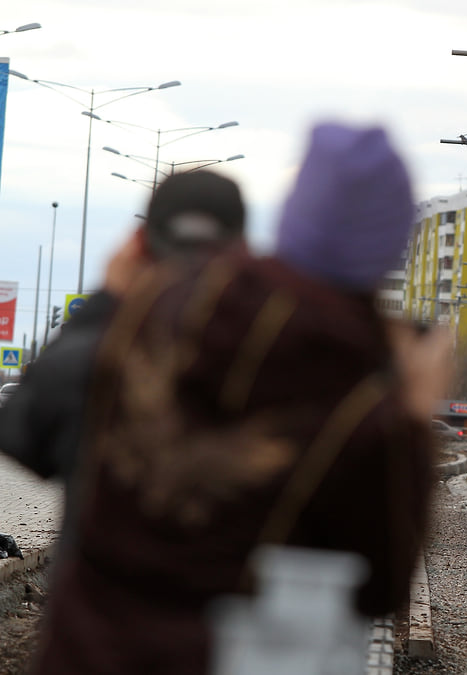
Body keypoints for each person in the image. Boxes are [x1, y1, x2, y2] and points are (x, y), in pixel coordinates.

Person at [27, 123, 440, 675]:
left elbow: (45, 433)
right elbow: (382, 584)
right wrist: (414, 422)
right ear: (388, 247)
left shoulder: (164, 302)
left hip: (88, 652)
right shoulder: (369, 399)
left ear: (295, 215)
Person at [0, 170, 246, 542]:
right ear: (241, 249)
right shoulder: (271, 359)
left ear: (140, 245)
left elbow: (21, 436)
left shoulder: (95, 361)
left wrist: (107, 302)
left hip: (100, 595)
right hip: (232, 596)